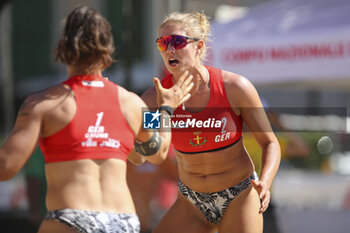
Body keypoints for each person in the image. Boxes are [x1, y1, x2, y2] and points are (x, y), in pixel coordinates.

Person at [0, 6, 193, 233]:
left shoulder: (42, 104)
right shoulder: (132, 103)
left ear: (64, 48)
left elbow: (5, 167)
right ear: (108, 52)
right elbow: (158, 153)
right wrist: (167, 109)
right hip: (123, 221)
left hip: (71, 218)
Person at [141, 12, 281, 233]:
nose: (169, 49)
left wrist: (265, 181)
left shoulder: (236, 88)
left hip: (240, 194)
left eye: (177, 41)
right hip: (191, 200)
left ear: (199, 46)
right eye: (162, 42)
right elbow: (148, 152)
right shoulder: (153, 99)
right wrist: (165, 111)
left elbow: (270, 143)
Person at [244, 101, 310, 233]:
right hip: (239, 202)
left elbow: (302, 150)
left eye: (263, 115)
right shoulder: (233, 138)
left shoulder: (271, 142)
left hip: (263, 203)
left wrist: (280, 125)